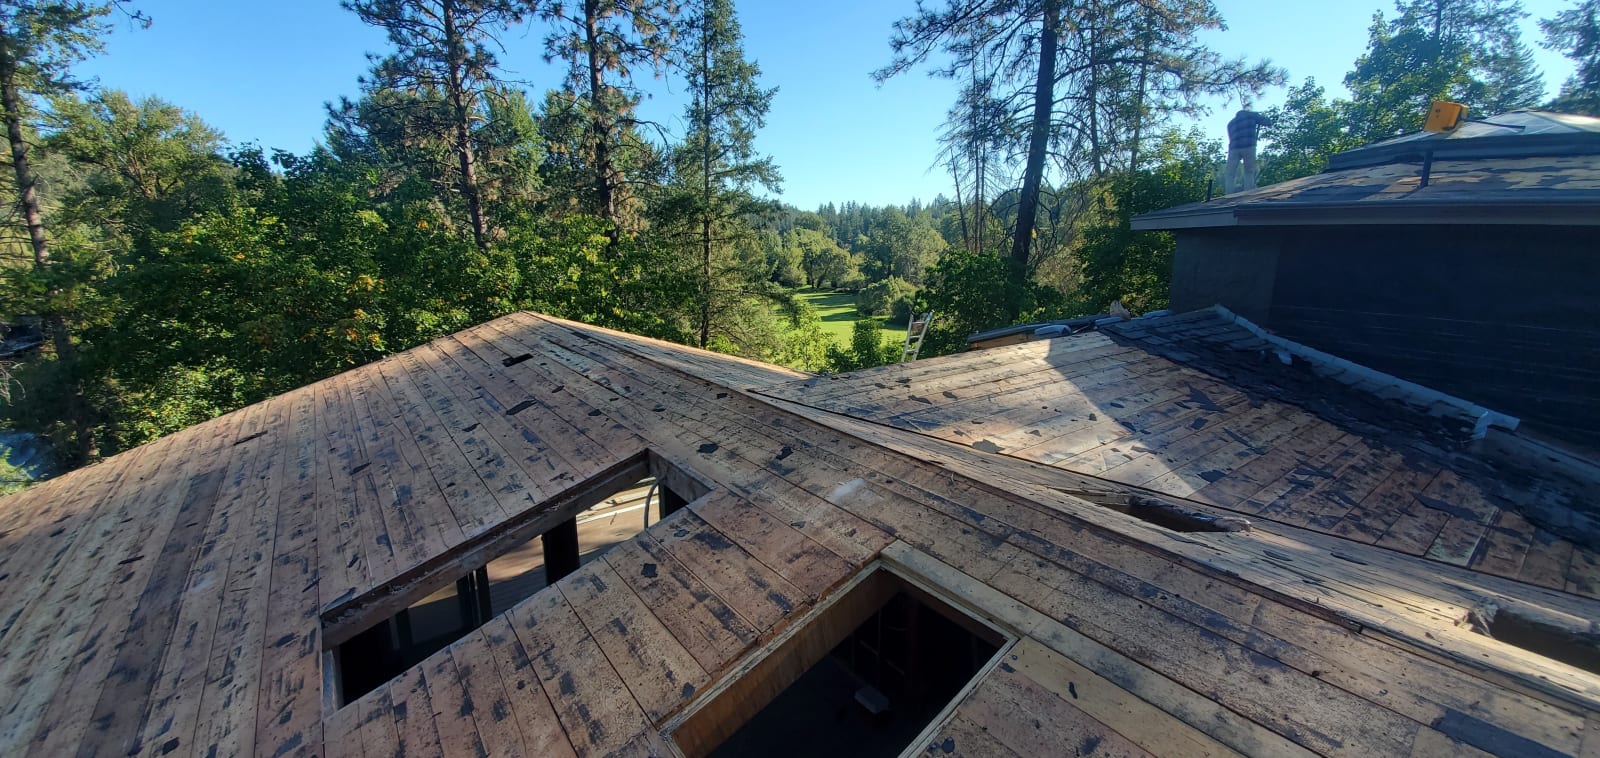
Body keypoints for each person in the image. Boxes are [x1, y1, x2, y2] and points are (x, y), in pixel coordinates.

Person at [1225, 108, 1273, 193]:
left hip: (1234, 148)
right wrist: (1261, 117)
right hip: (1249, 146)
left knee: (1230, 173)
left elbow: (1230, 137)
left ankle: (1229, 193)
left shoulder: (1231, 123)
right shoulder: (1252, 116)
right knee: (1249, 171)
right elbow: (1267, 122)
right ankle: (1248, 191)